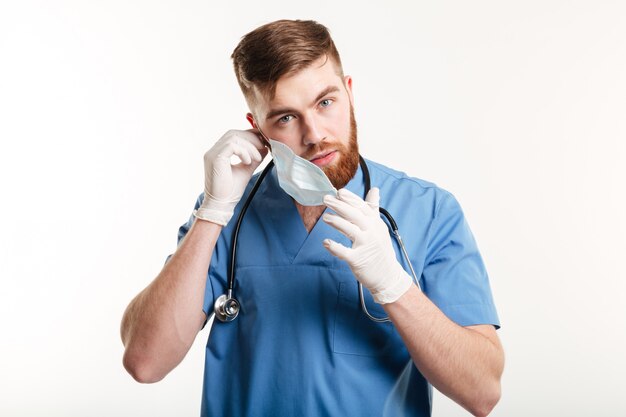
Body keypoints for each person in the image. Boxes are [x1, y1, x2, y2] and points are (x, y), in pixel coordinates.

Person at [121, 19, 504, 417]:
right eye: (285, 118)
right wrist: (212, 213)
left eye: (326, 102)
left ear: (350, 94)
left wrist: (393, 286)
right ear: (258, 131)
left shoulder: (429, 210)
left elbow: (481, 393)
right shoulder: (227, 213)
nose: (314, 133)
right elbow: (145, 362)